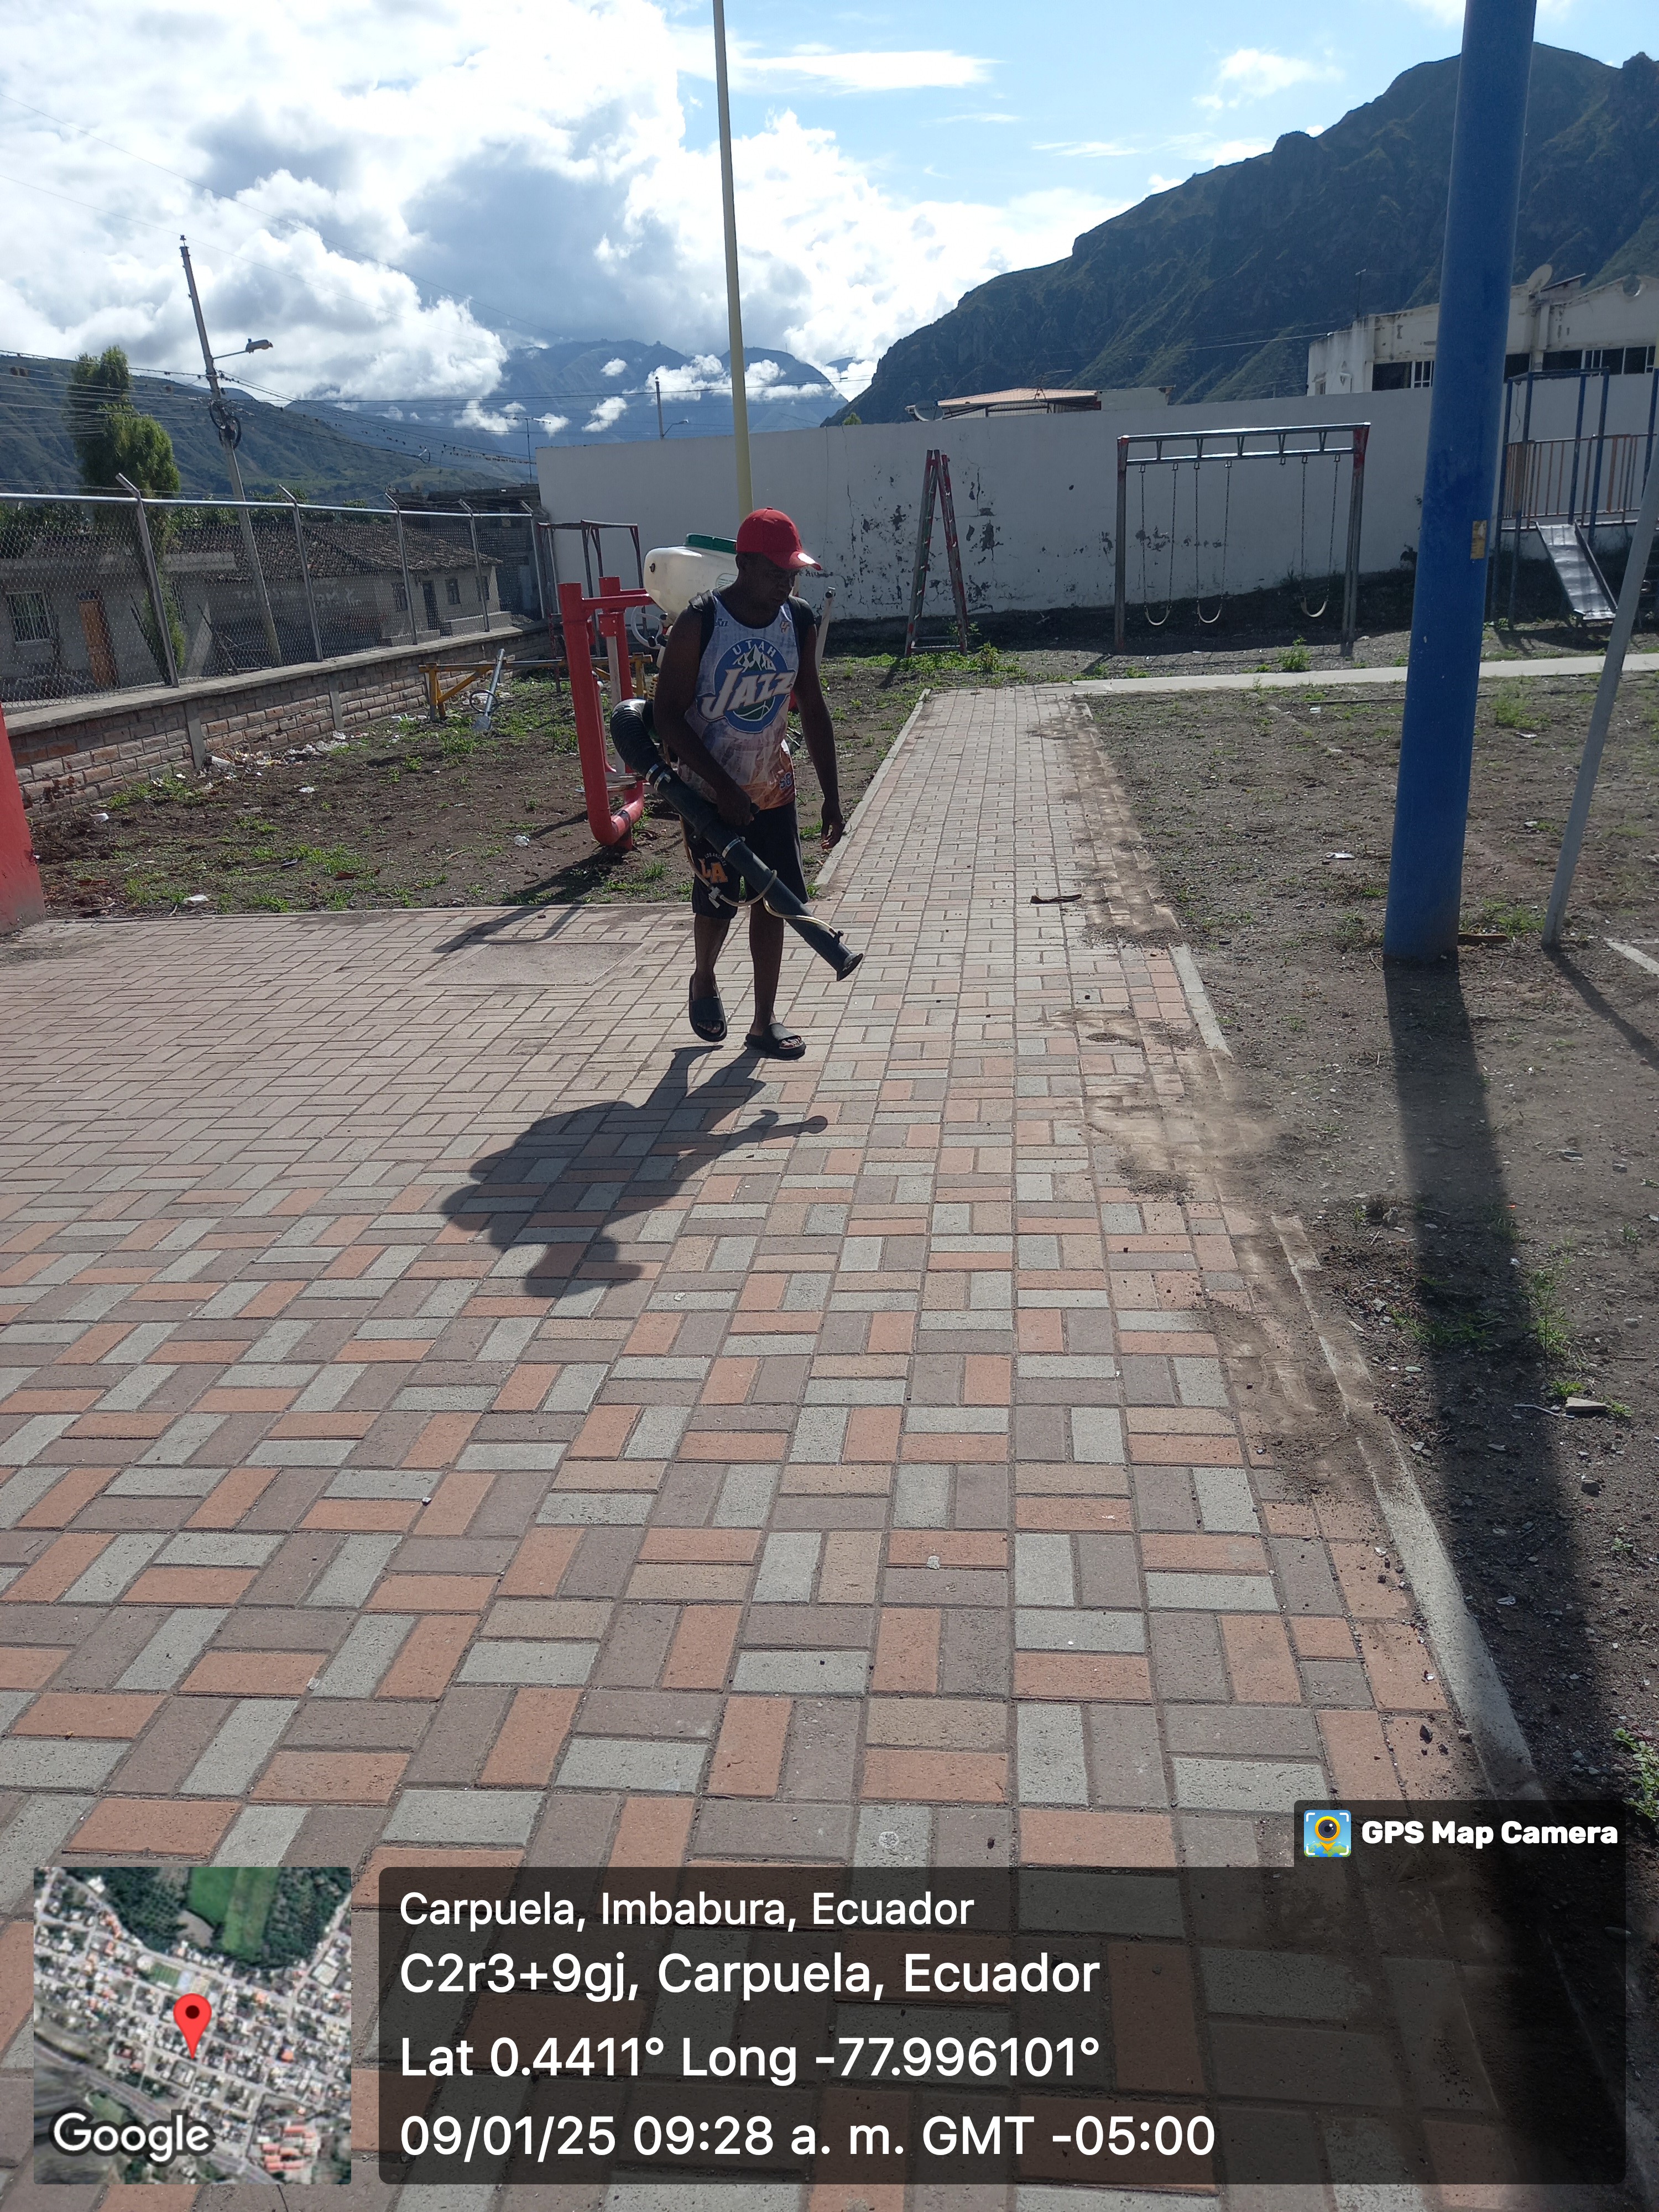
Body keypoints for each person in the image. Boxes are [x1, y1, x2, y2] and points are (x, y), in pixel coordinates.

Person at [649, 507, 843, 1059]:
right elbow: (667, 716)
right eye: (777, 572)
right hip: (708, 792)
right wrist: (722, 789)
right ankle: (704, 977)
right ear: (745, 565)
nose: (788, 583)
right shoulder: (701, 623)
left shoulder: (797, 621)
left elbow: (812, 706)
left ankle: (763, 1022)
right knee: (718, 898)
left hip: (771, 786)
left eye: (793, 573)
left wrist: (832, 797)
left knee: (774, 899)